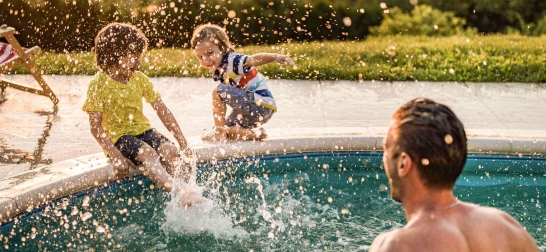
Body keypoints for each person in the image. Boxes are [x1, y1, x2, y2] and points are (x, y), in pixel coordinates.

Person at [370, 98, 539, 252]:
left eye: (387, 147)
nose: (383, 158)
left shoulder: (395, 246)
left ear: (403, 164)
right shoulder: (504, 228)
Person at [83, 22, 205, 206]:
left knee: (170, 151)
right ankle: (179, 193)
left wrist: (182, 142)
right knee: (147, 153)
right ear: (115, 54)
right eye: (134, 57)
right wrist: (115, 155)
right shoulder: (98, 84)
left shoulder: (139, 79)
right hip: (118, 138)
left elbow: (163, 112)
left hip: (143, 131)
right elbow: (95, 127)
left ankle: (191, 194)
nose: (138, 62)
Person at [190, 23, 295, 141]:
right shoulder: (221, 69)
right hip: (258, 110)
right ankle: (254, 135)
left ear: (222, 48)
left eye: (210, 53)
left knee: (217, 92)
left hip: (259, 105)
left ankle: (218, 132)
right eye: (200, 56)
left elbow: (253, 59)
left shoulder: (233, 60)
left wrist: (274, 56)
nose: (206, 59)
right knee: (226, 128)